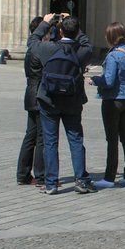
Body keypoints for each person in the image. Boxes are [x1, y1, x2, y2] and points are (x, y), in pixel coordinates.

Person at [28, 14, 96, 195]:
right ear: (77, 32)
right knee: (75, 140)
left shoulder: (48, 48)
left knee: (50, 141)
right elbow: (88, 44)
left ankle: (51, 183)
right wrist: (76, 28)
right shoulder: (81, 51)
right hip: (72, 100)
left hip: (49, 100)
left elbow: (32, 40)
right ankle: (81, 179)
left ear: (59, 31)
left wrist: (45, 22)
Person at [88, 22, 125, 188]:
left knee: (112, 139)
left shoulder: (112, 56)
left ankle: (109, 177)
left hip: (112, 100)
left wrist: (94, 80)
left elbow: (108, 81)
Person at [16, 17, 46, 187]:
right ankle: (40, 175)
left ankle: (22, 173)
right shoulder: (40, 50)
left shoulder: (30, 50)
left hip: (30, 92)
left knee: (30, 135)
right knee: (41, 136)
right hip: (41, 94)